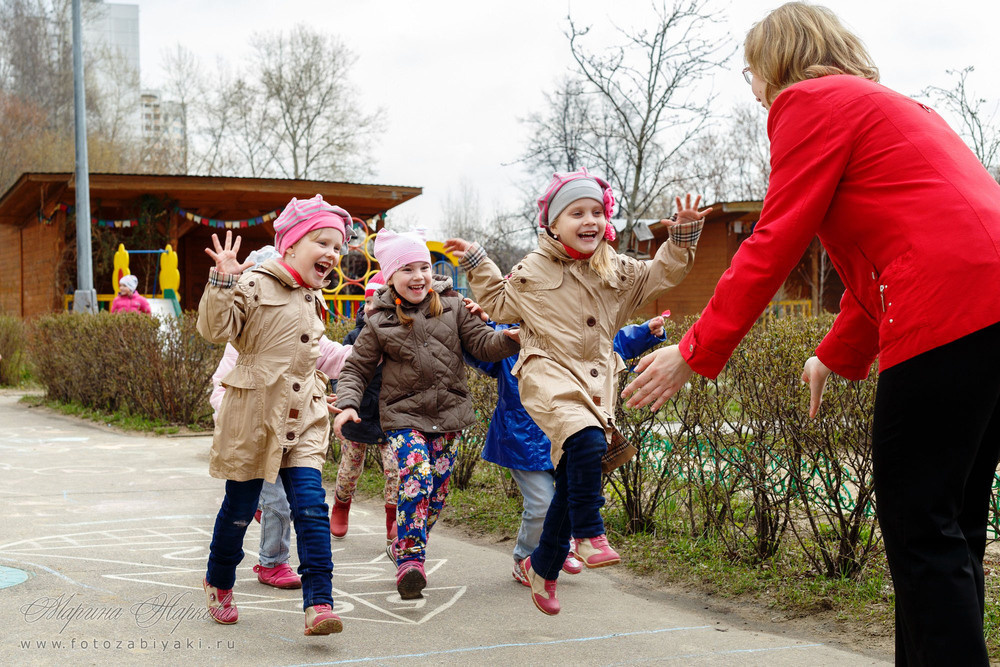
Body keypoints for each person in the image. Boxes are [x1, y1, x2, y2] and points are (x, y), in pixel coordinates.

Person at [621, 3, 1000, 663]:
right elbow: (902, 250)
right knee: (950, 525)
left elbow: (774, 240)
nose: (754, 89)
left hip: (947, 312)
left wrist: (692, 349)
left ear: (778, 62)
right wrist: (834, 353)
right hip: (985, 313)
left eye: (751, 73)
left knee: (920, 531)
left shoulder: (809, 103)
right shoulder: (895, 108)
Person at [444, 170, 709, 616]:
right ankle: (589, 534)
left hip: (594, 382)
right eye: (576, 212)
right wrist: (476, 263)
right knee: (586, 442)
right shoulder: (533, 268)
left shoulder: (618, 269)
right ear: (552, 223)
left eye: (596, 212)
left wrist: (681, 235)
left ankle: (542, 569)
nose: (589, 220)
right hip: (546, 373)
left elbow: (662, 273)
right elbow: (500, 303)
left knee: (573, 477)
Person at [332, 228, 520, 600]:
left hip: (448, 414)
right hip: (403, 417)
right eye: (407, 269)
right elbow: (355, 369)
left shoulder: (451, 305)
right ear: (390, 277)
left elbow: (482, 345)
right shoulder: (378, 322)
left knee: (436, 493)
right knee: (416, 475)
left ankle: (405, 546)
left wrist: (509, 338)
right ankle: (412, 563)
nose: (418, 276)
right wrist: (348, 403)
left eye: (423, 267)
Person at [197, 194, 352, 636]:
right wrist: (222, 282)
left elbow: (318, 356)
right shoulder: (254, 284)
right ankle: (220, 579)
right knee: (240, 510)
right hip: (253, 418)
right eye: (322, 242)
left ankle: (319, 602)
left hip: (301, 419)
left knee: (310, 508)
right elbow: (214, 329)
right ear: (290, 246)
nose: (332, 254)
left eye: (338, 248)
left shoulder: (311, 297)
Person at [468, 313, 669, 587]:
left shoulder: (572, 332)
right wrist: (475, 323)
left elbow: (611, 344)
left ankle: (558, 549)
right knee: (542, 503)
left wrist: (646, 331)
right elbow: (481, 351)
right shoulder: (511, 337)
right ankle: (525, 558)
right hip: (522, 440)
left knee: (571, 497)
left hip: (568, 434)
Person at [329, 271, 400, 544]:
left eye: (379, 303)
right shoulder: (354, 336)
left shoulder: (399, 334)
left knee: (395, 469)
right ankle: (341, 505)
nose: (372, 308)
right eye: (368, 302)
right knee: (350, 466)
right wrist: (344, 397)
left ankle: (392, 518)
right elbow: (341, 372)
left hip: (391, 414)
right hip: (358, 413)